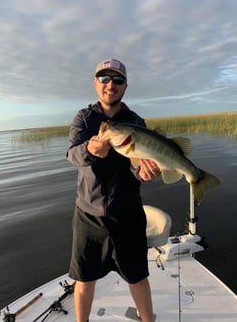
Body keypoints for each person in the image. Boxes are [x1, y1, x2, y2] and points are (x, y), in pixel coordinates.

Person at [66, 58, 160, 322]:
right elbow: (72, 155)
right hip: (88, 215)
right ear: (96, 85)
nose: (111, 85)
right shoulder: (84, 118)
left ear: (125, 86)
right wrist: (89, 150)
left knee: (138, 277)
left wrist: (145, 172)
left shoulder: (136, 121)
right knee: (84, 280)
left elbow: (139, 167)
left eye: (117, 80)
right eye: (104, 79)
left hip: (127, 214)